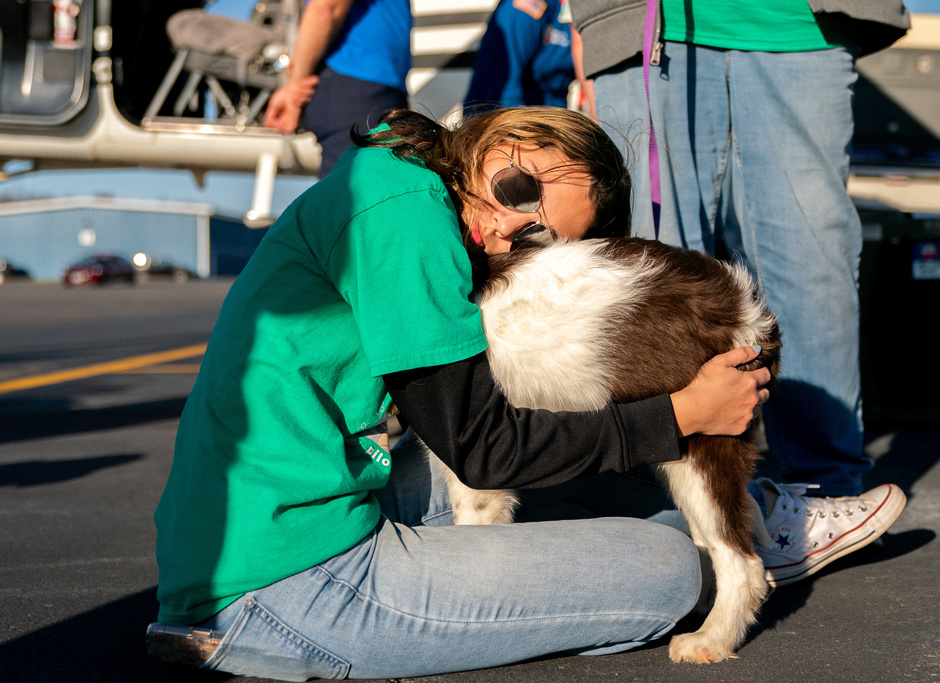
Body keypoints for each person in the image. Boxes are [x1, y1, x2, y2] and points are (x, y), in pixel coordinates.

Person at [151, 105, 780, 679]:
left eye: (536, 238)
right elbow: (481, 450)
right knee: (666, 569)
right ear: (505, 137)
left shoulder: (394, 179)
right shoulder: (404, 216)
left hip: (264, 518)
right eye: (520, 188)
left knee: (624, 500)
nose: (506, 230)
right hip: (288, 581)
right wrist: (682, 413)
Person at [567, 0, 910, 585]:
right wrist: (590, 27)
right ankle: (677, 510)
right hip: (645, 24)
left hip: (798, 22)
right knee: (656, 283)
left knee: (810, 259)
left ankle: (817, 498)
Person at [264, 0, 412, 178]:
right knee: (361, 197)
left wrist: (293, 85)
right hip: (357, 85)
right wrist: (294, 88)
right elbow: (326, 7)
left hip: (368, 87)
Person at [464, 0, 576, 113]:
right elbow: (508, 86)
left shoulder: (576, 9)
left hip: (548, 110)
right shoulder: (525, 8)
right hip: (501, 113)